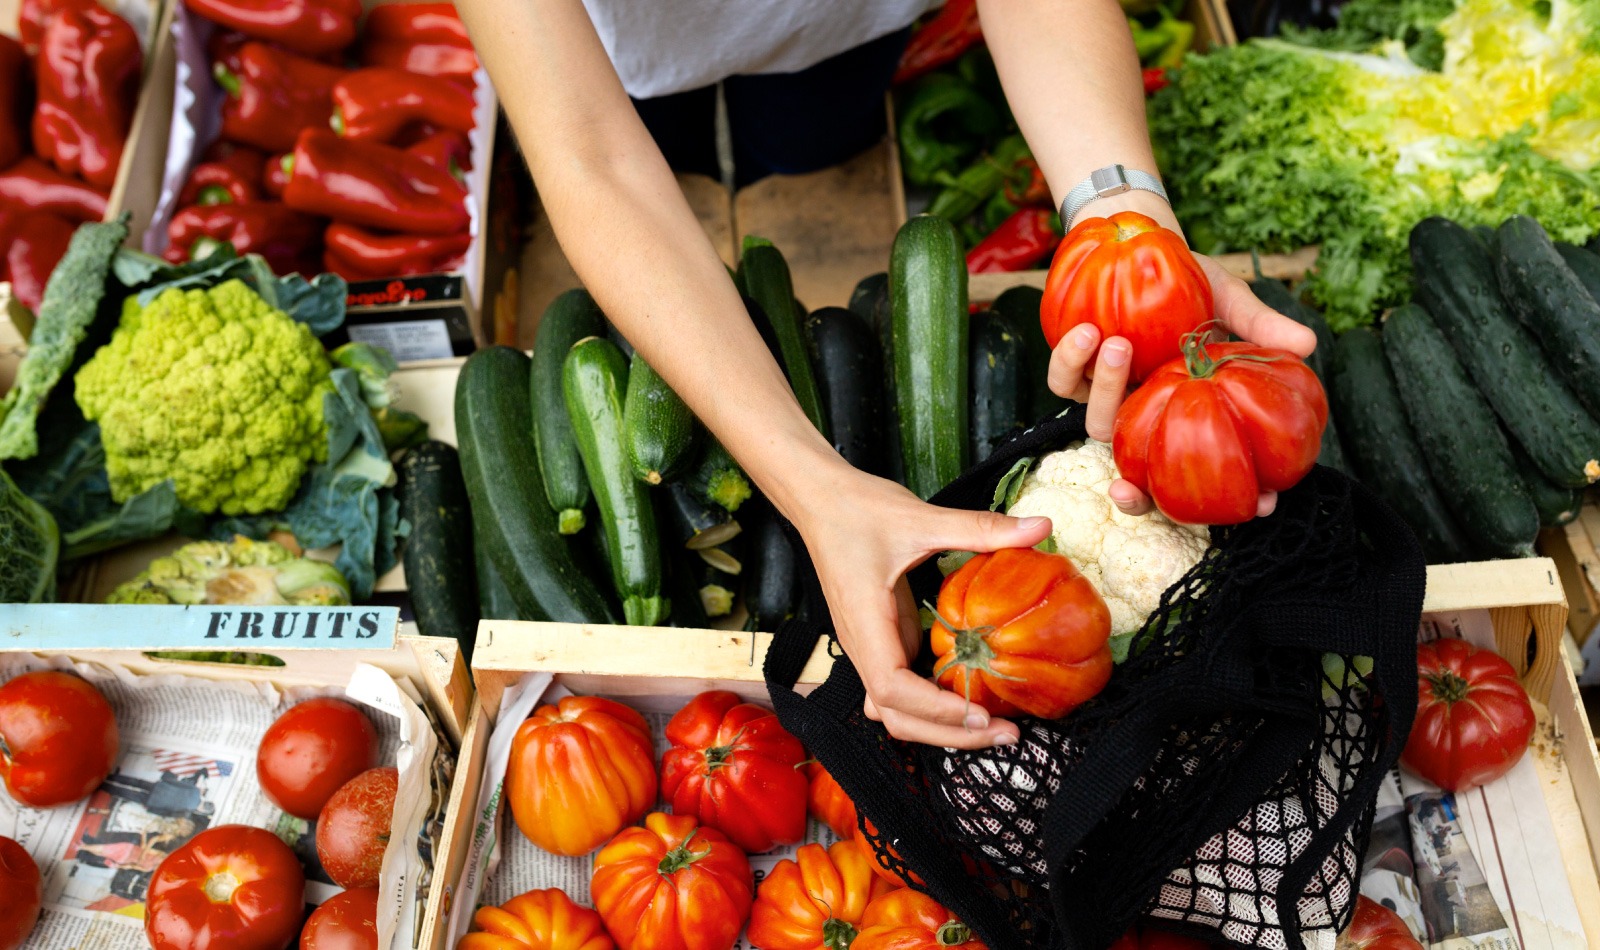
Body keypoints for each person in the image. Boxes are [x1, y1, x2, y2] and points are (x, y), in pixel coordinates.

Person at [459, 0, 1315, 750]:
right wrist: (811, 486)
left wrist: (1124, 228)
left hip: (844, 22)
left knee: (813, 129)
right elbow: (595, 157)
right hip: (632, 32)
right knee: (658, 120)